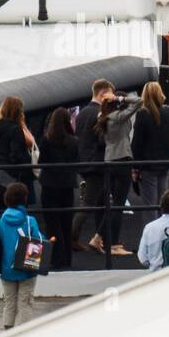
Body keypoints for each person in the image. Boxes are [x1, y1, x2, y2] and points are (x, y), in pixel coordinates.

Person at [91, 91, 140, 256]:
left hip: (109, 161)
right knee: (118, 204)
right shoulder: (118, 117)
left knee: (113, 204)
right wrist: (121, 98)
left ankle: (99, 237)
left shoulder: (103, 117)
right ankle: (112, 245)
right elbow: (139, 101)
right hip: (122, 160)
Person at [72, 78, 115, 251]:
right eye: (111, 94)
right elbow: (102, 141)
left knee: (98, 202)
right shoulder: (100, 114)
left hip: (84, 162)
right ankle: (72, 237)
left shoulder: (81, 114)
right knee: (89, 203)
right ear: (102, 93)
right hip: (97, 164)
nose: (113, 98)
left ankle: (99, 238)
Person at [131, 81, 169, 230]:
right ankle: (165, 233)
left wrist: (135, 167)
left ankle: (151, 235)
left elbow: (137, 143)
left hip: (148, 165)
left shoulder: (143, 114)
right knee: (163, 202)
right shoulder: (166, 111)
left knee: (149, 205)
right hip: (164, 163)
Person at [0, 182, 42, 330]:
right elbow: (38, 241)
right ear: (24, 198)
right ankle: (24, 335)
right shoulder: (30, 221)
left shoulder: (2, 220)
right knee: (26, 302)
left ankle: (8, 330)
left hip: (6, 267)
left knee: (9, 301)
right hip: (26, 268)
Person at [39, 107, 78, 269]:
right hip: (67, 186)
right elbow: (77, 161)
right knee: (66, 224)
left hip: (49, 187)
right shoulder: (74, 141)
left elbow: (41, 163)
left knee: (52, 225)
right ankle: (67, 259)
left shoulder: (46, 141)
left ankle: (57, 259)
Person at [0, 95, 36, 203]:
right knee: (16, 207)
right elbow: (16, 155)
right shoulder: (15, 129)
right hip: (12, 178)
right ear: (19, 112)